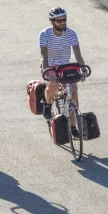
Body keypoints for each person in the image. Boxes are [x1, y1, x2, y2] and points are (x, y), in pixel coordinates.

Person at [40, 7, 86, 138]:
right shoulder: (45, 34)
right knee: (53, 86)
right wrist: (48, 72)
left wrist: (83, 69)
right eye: (58, 21)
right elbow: (44, 55)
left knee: (74, 95)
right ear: (52, 21)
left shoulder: (71, 34)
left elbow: (77, 54)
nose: (62, 23)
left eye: (64, 20)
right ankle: (47, 104)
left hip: (65, 65)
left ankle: (73, 127)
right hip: (50, 64)